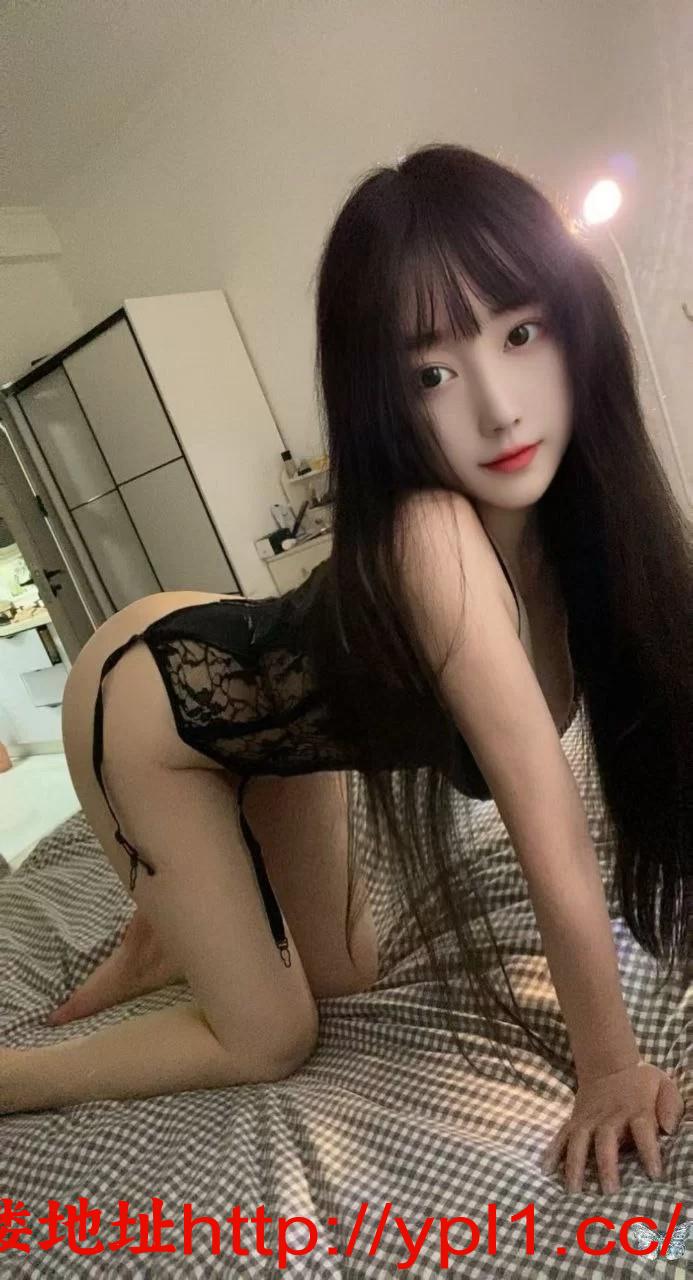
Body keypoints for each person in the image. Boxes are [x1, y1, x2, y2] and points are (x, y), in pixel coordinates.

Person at [1, 144, 689, 1200]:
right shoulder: (429, 537)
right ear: (381, 400)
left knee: (346, 975)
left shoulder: (591, 533)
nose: (499, 408)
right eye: (430, 374)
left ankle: (163, 934)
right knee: (270, 1036)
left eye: (519, 332)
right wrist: (605, 1066)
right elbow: (541, 809)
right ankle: (18, 1074)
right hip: (150, 699)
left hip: (277, 719)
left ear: (572, 322)